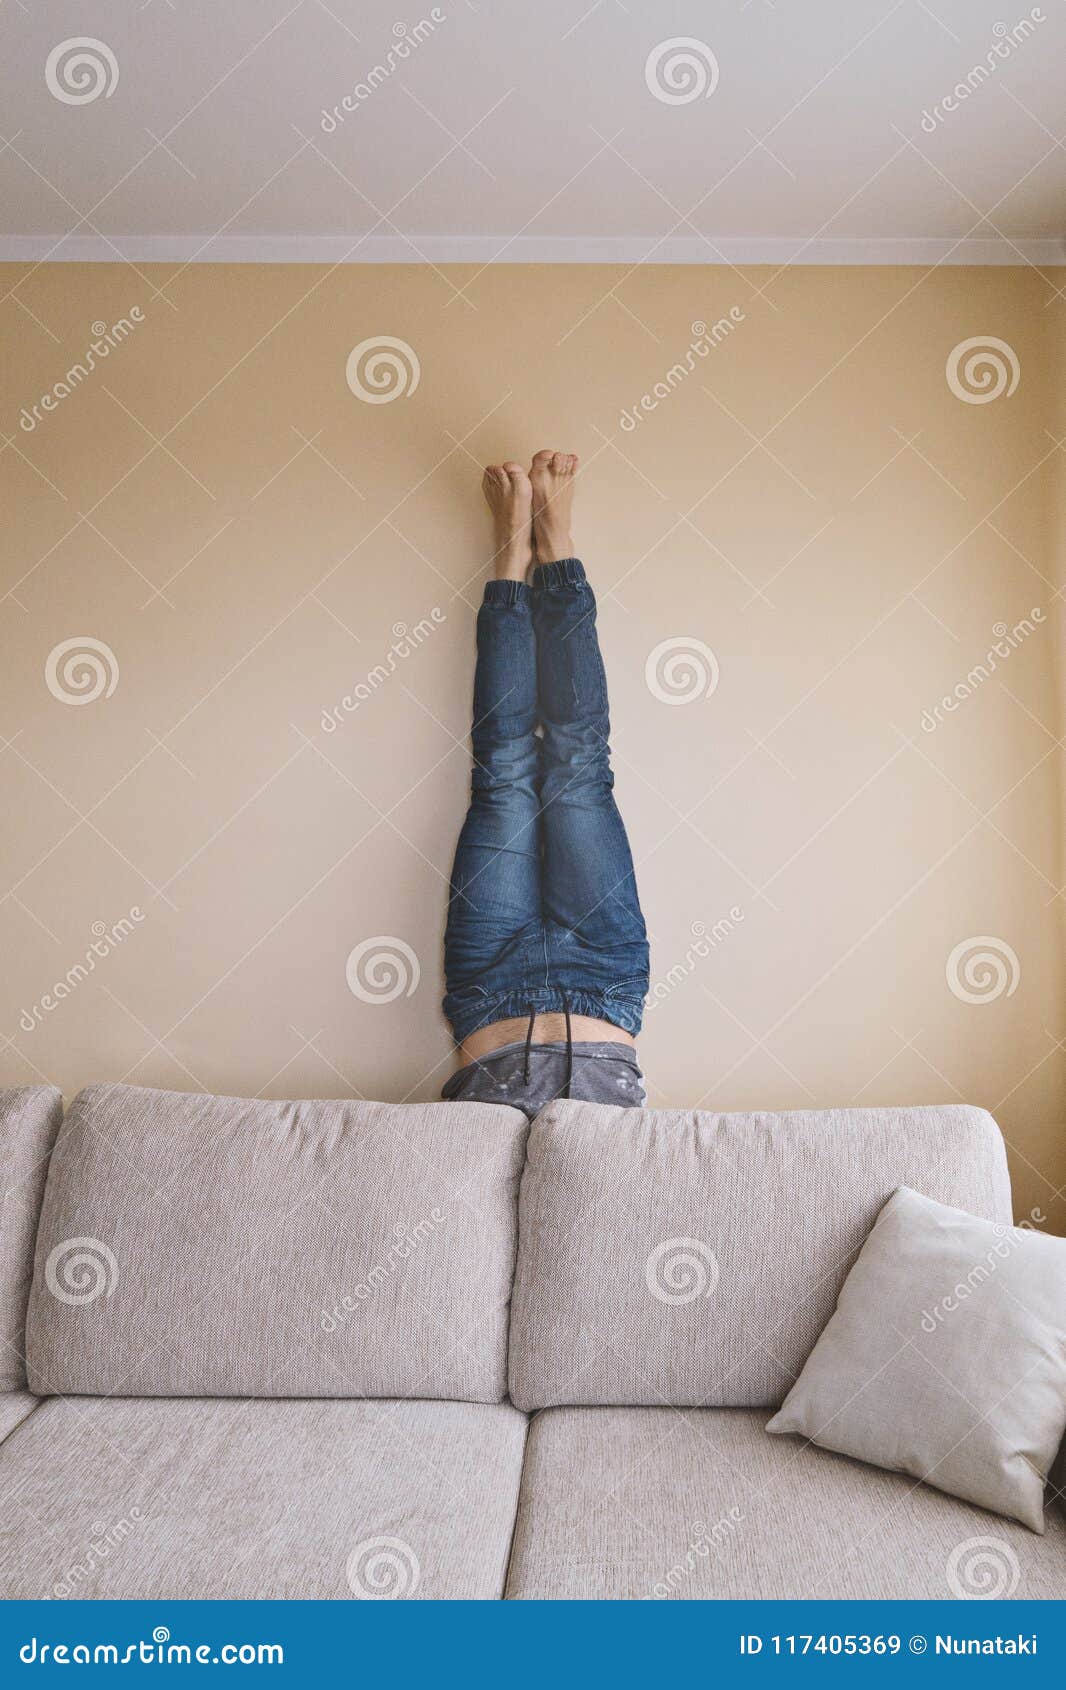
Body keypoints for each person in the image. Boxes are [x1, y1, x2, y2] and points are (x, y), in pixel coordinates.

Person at [441, 449, 650, 1121]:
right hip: (605, 975)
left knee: (503, 771)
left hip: (488, 983)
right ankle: (556, 551)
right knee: (579, 764)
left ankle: (509, 561)